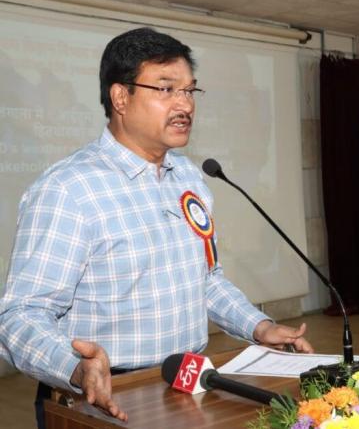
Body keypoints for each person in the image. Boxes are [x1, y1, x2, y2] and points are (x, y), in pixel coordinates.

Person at [0, 27, 313, 426]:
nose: (185, 105)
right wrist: (75, 369)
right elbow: (20, 315)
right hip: (103, 396)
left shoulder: (188, 179)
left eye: (189, 91)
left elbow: (206, 278)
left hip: (188, 382)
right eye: (166, 89)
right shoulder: (68, 190)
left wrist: (259, 326)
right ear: (120, 97)